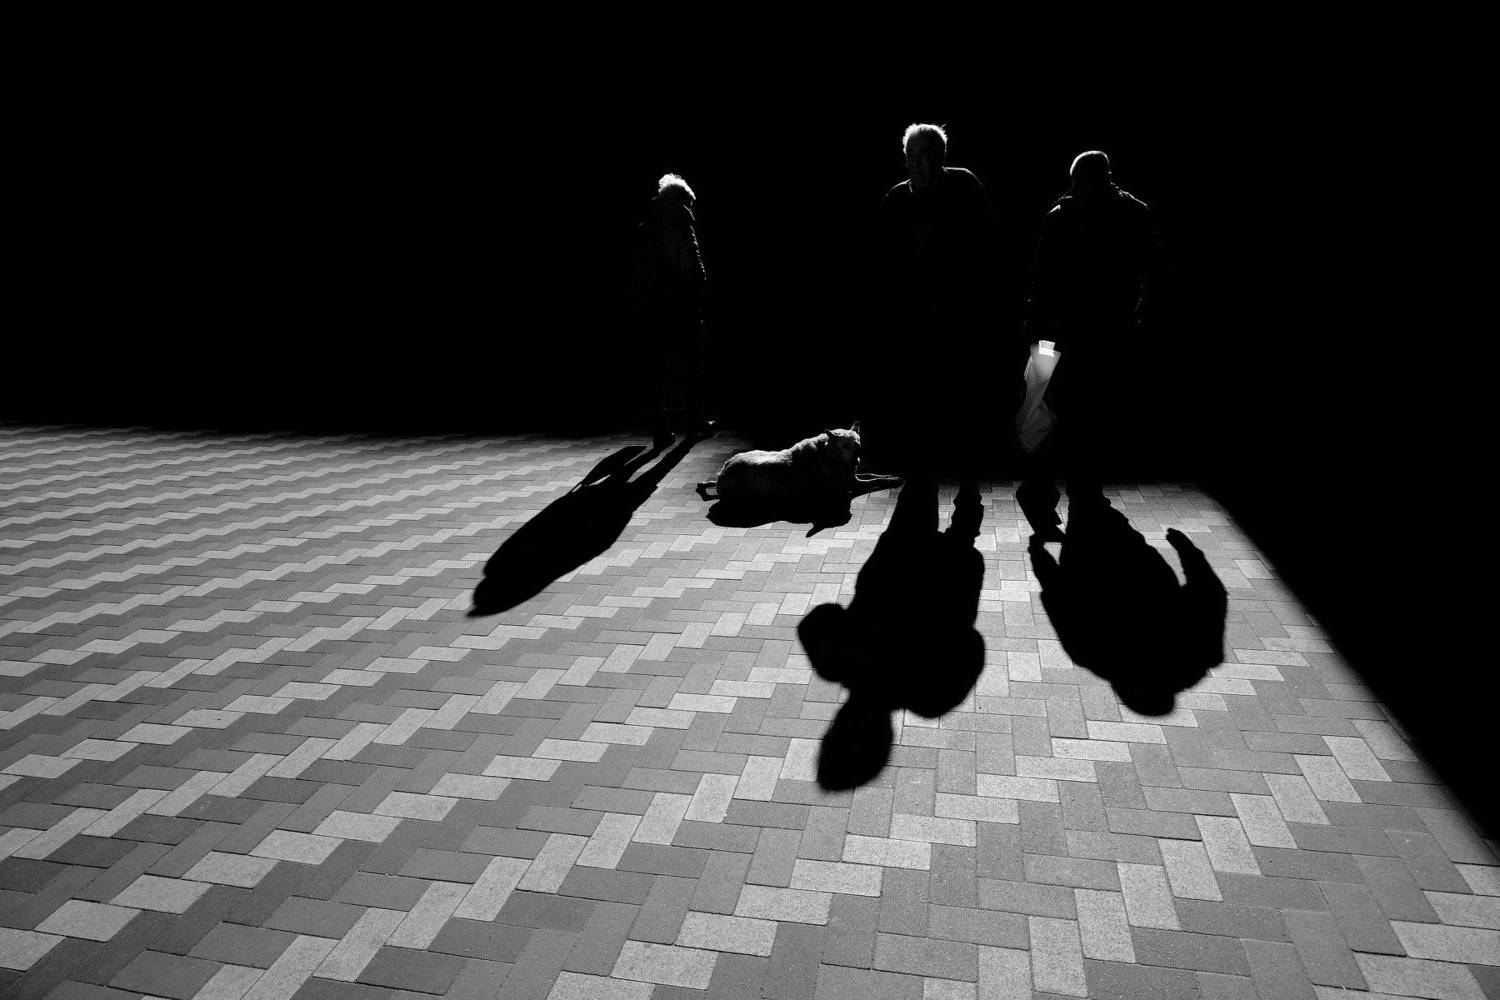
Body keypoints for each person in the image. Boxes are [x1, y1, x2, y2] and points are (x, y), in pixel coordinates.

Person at [1017, 150, 1156, 534]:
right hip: (1113, 330)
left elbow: (1043, 281)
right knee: (1100, 410)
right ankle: (1087, 486)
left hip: (1067, 330)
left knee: (1060, 407)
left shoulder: (1060, 217)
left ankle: (1050, 484)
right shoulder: (1135, 213)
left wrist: (1037, 333)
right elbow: (1150, 270)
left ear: (1075, 180)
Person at [874, 124, 993, 485]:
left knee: (960, 392)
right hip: (913, 316)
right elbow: (882, 262)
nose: (915, 164)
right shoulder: (897, 198)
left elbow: (985, 247)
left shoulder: (964, 186)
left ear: (940, 158)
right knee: (917, 392)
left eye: (923, 155)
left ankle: (964, 468)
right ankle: (922, 464)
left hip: (958, 313)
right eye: (909, 156)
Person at [637, 173, 714, 450]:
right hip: (680, 306)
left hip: (652, 306)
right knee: (692, 365)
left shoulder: (647, 224)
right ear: (683, 200)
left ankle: (660, 430)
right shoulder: (682, 223)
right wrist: (698, 296)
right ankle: (695, 422)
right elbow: (693, 267)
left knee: (656, 371)